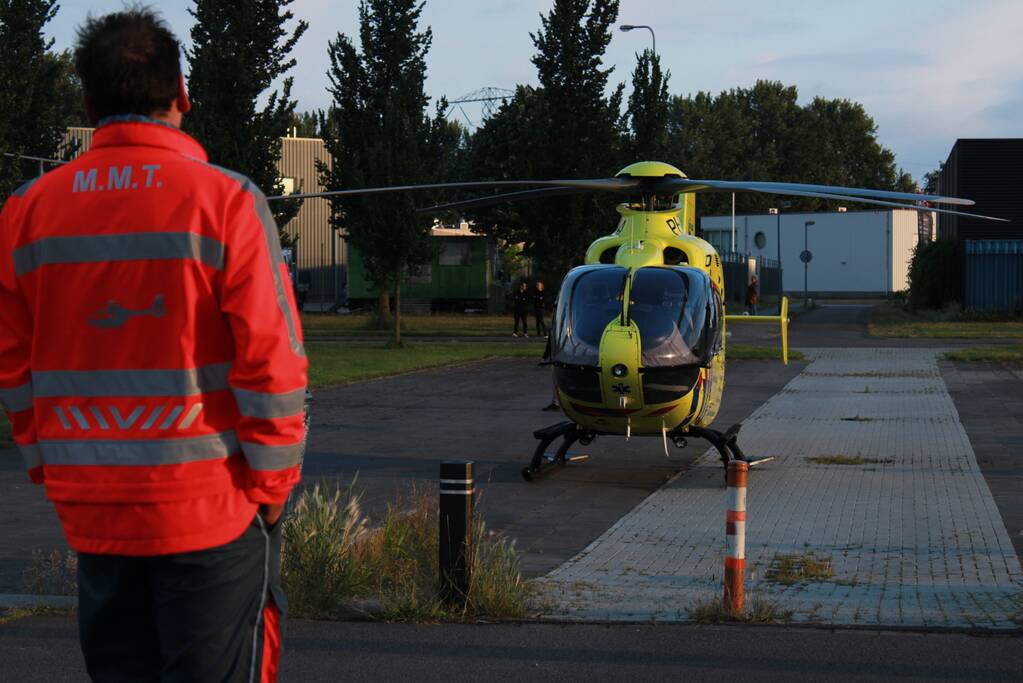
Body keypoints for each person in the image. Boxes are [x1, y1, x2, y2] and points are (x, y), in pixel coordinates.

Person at [0, 9, 306, 681]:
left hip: (94, 509)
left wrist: (52, 472)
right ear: (182, 95)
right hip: (213, 508)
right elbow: (271, 362)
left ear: (87, 101)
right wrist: (273, 485)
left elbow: (14, 369)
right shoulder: (227, 201)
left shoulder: (26, 211)